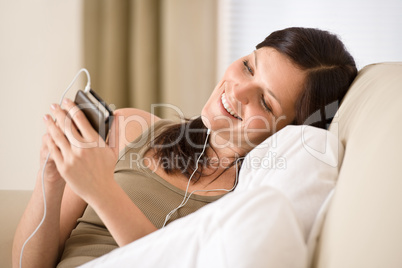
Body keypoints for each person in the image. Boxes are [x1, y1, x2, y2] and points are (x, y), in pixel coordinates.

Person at [12, 27, 357, 268]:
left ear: (287, 131)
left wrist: (102, 190)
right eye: (248, 66)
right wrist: (51, 181)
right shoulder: (129, 127)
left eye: (265, 103)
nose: (236, 91)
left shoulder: (247, 206)